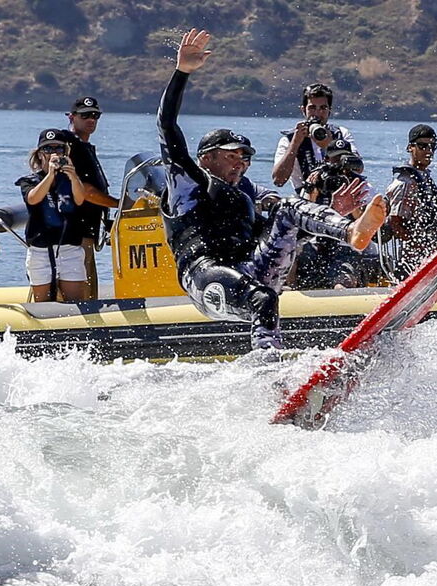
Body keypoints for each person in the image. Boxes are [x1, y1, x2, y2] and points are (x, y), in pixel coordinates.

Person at [159, 29, 385, 350]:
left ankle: (350, 231)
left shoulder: (246, 194)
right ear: (206, 158)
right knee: (263, 300)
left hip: (252, 266)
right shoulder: (188, 183)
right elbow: (167, 127)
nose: (241, 162)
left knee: (289, 209)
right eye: (232, 155)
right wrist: (181, 73)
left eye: (245, 157)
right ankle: (268, 371)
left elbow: (289, 237)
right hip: (205, 276)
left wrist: (334, 209)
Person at [15, 129, 88, 302]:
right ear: (40, 154)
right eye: (48, 149)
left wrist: (73, 175)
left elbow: (79, 199)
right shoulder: (30, 181)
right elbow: (33, 199)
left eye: (59, 149)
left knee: (76, 302)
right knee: (43, 304)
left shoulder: (71, 180)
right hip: (41, 250)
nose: (53, 153)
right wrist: (50, 175)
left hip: (70, 248)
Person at [296, 138, 373, 289]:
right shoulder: (317, 181)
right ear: (326, 160)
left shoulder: (361, 185)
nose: (339, 166)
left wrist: (354, 205)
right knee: (297, 257)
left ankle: (343, 302)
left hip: (345, 245)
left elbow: (368, 226)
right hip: (315, 244)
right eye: (335, 159)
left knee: (343, 280)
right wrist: (311, 192)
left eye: (343, 159)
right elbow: (301, 220)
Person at [65, 96, 119, 299]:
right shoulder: (70, 146)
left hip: (88, 230)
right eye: (85, 115)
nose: (91, 120)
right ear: (71, 117)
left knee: (90, 284)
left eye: (95, 115)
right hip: (74, 232)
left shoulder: (85, 147)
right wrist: (119, 205)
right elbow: (86, 190)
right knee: (83, 291)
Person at [385, 124, 437, 277]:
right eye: (422, 146)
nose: (428, 150)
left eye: (432, 146)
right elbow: (395, 223)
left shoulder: (423, 177)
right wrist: (419, 246)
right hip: (413, 259)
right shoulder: (405, 183)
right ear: (410, 148)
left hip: (432, 251)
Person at [272, 82, 357, 194]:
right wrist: (295, 144)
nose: (317, 113)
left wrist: (330, 146)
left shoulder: (341, 134)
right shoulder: (289, 140)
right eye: (312, 108)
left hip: (339, 195)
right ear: (303, 110)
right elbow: (278, 180)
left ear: (329, 111)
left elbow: (357, 168)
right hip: (307, 198)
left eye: (323, 108)